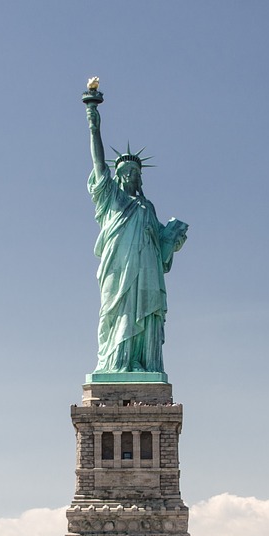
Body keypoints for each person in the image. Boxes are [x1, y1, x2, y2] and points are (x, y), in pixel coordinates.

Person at [84, 79, 188, 375]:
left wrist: (172, 239)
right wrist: (94, 127)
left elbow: (161, 251)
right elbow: (98, 166)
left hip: (146, 272)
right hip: (119, 270)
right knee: (116, 314)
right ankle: (116, 363)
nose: (130, 176)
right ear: (117, 178)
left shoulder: (147, 208)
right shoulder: (112, 201)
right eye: (125, 172)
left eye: (134, 173)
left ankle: (142, 362)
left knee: (144, 314)